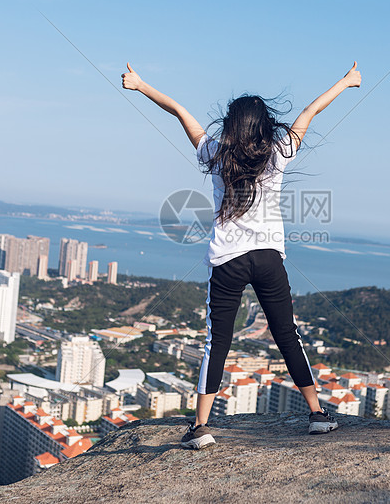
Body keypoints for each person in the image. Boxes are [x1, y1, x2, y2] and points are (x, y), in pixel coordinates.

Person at [122, 62, 362, 449]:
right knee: (287, 334)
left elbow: (180, 111)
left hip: (228, 261)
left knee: (217, 340)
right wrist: (347, 82)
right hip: (268, 258)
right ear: (264, 125)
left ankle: (201, 428)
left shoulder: (215, 155)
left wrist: (140, 85)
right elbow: (310, 112)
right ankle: (317, 415)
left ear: (231, 126)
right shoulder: (279, 153)